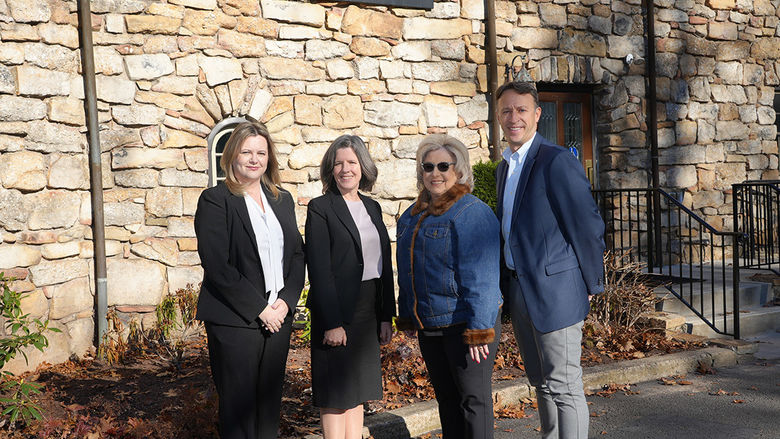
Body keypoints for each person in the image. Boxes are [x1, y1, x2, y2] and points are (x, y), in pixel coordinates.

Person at [494, 81, 605, 439]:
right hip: (520, 290)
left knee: (564, 385)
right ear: (499, 116)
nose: (514, 118)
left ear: (537, 115)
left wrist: (592, 282)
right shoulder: (504, 168)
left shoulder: (555, 161)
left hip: (557, 291)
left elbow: (587, 225)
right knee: (540, 383)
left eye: (522, 110)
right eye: (507, 111)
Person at [194, 120, 305, 439]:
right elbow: (218, 265)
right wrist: (261, 309)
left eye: (261, 152)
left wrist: (285, 302)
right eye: (246, 151)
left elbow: (297, 255)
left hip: (278, 318)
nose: (254, 158)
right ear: (231, 156)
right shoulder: (216, 199)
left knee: (268, 410)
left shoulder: (281, 199)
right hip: (235, 321)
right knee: (239, 413)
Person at [396, 134, 503, 439]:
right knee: (447, 402)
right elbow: (407, 271)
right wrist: (408, 315)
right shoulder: (412, 215)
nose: (435, 173)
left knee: (473, 402)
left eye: (444, 165)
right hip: (431, 323)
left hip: (466, 324)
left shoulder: (471, 212)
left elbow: (481, 276)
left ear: (459, 169)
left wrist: (480, 329)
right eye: (428, 167)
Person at [305, 135, 396, 439]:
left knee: (357, 390)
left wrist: (386, 316)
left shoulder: (373, 207)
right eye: (339, 163)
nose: (346, 169)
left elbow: (383, 265)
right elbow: (319, 270)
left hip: (368, 311)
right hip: (336, 311)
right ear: (330, 169)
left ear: (363, 167)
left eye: (352, 162)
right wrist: (332, 323)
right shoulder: (320, 208)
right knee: (335, 394)